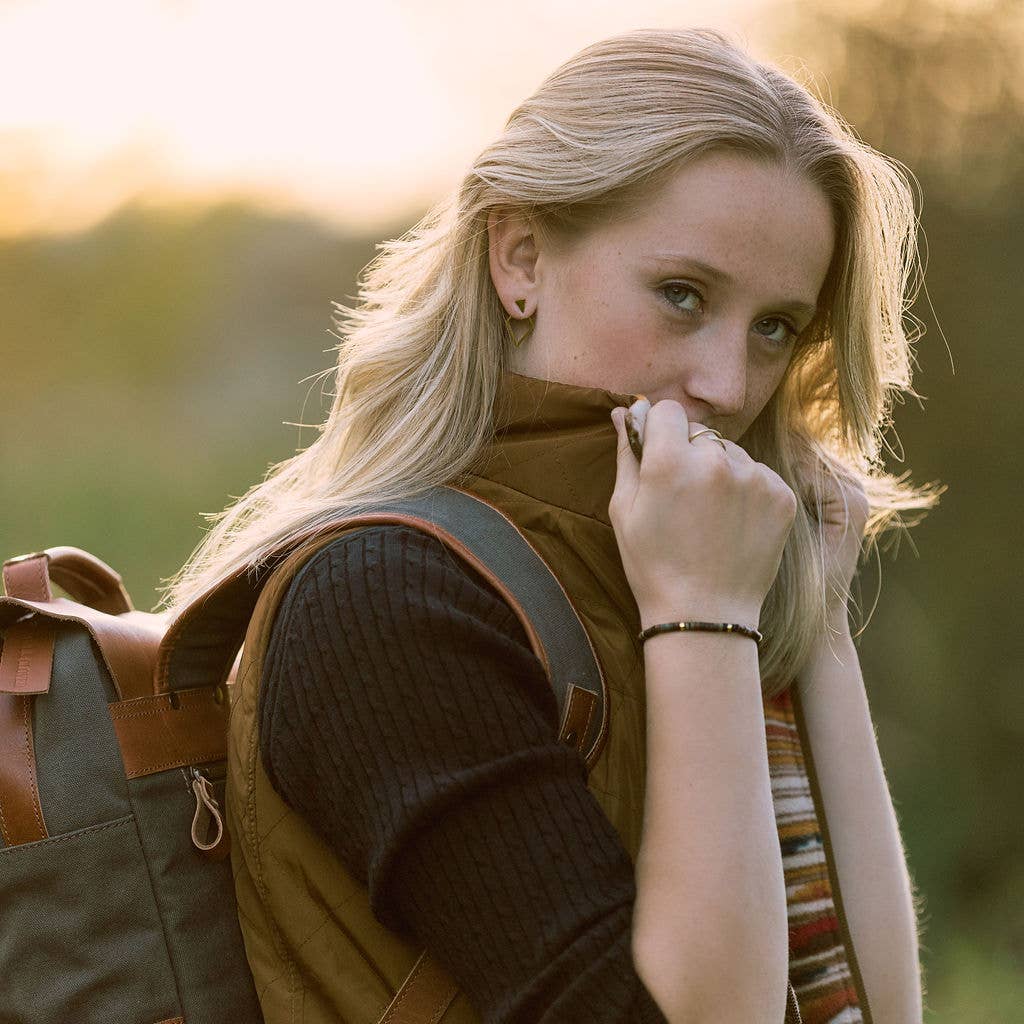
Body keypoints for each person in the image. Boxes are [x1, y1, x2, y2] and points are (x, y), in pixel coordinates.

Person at [157, 25, 939, 1024]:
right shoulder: (385, 599)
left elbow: (871, 1012)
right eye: (681, 295)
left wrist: (814, 605)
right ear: (520, 256)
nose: (728, 383)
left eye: (773, 327)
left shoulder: (684, 555)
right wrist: (703, 614)